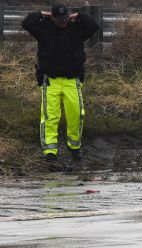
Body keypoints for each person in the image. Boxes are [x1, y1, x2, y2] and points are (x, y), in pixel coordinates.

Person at [22, 4, 99, 171]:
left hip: (72, 81)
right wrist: (44, 14)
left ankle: (74, 147)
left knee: (77, 114)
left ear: (69, 17)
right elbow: (27, 22)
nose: (63, 22)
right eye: (59, 19)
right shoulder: (44, 29)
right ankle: (50, 152)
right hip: (51, 81)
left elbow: (94, 25)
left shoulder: (77, 28)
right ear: (53, 18)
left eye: (65, 18)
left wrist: (77, 15)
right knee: (50, 117)